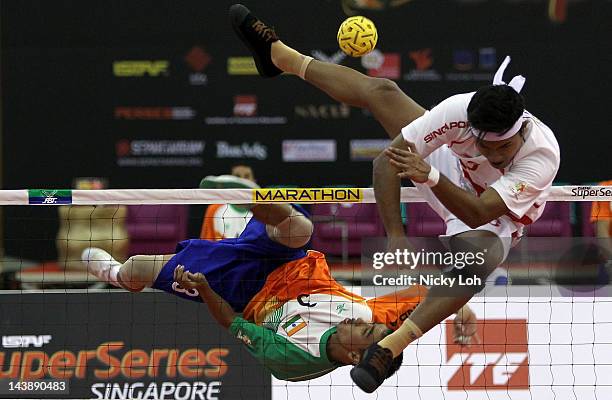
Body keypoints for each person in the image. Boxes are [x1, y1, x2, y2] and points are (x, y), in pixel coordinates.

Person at [228, 3, 560, 391]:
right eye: (485, 147)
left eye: (501, 150)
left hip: (493, 212)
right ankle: (283, 57)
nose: (492, 156)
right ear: (473, 126)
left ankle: (387, 349)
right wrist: (395, 236)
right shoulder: (458, 111)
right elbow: (388, 162)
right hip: (446, 169)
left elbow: (477, 211)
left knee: (476, 263)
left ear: (519, 132)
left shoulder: (541, 155)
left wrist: (431, 175)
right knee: (383, 91)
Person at [84, 176, 479, 382]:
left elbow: (232, 323)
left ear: (356, 356)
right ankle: (246, 197)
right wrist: (464, 310)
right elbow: (443, 290)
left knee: (137, 268)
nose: (361, 319)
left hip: (240, 290)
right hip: (288, 258)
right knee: (301, 227)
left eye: (361, 330)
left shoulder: (293, 360)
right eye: (368, 322)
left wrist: (204, 288)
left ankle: (113, 274)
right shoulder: (384, 326)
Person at [199, 165, 259, 240]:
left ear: (254, 181)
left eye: (246, 176)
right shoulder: (214, 209)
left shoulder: (262, 212)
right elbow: (206, 243)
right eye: (237, 177)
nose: (242, 180)